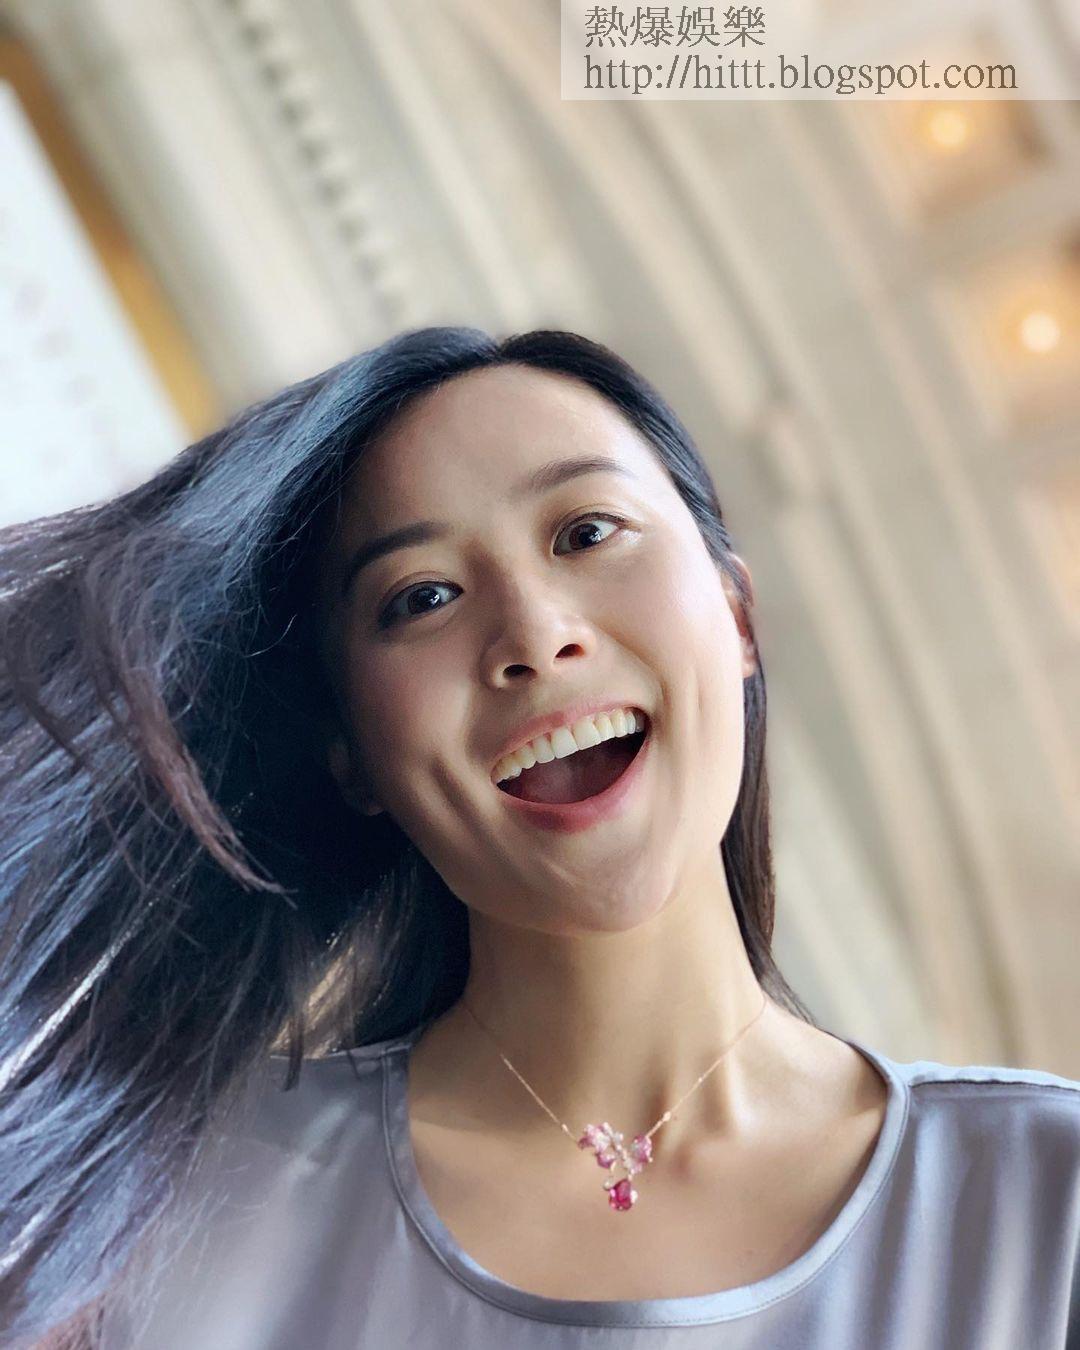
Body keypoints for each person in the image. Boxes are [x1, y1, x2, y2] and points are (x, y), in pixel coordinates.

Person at [0, 328, 1077, 1350]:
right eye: (423, 597)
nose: (533, 633)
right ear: (353, 757)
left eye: (587, 533)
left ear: (738, 617)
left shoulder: (1046, 1207)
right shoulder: (180, 1209)